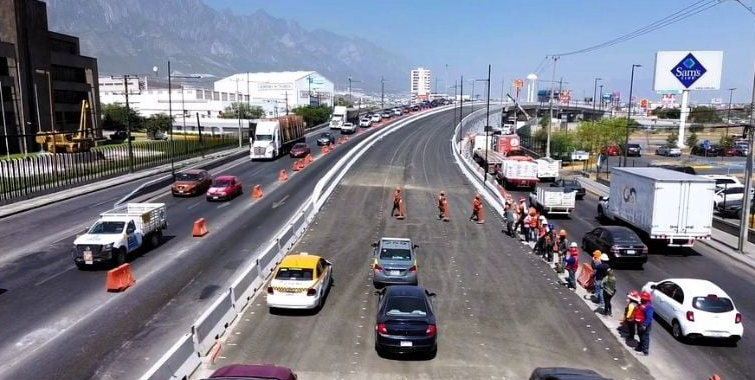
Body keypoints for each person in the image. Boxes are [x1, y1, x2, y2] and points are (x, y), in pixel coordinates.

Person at [635, 291, 654, 356]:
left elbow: (649, 318)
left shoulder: (648, 307)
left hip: (644, 325)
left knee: (644, 337)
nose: (641, 299)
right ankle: (640, 347)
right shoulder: (642, 304)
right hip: (640, 323)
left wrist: (644, 325)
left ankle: (645, 351)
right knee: (641, 336)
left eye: (643, 299)